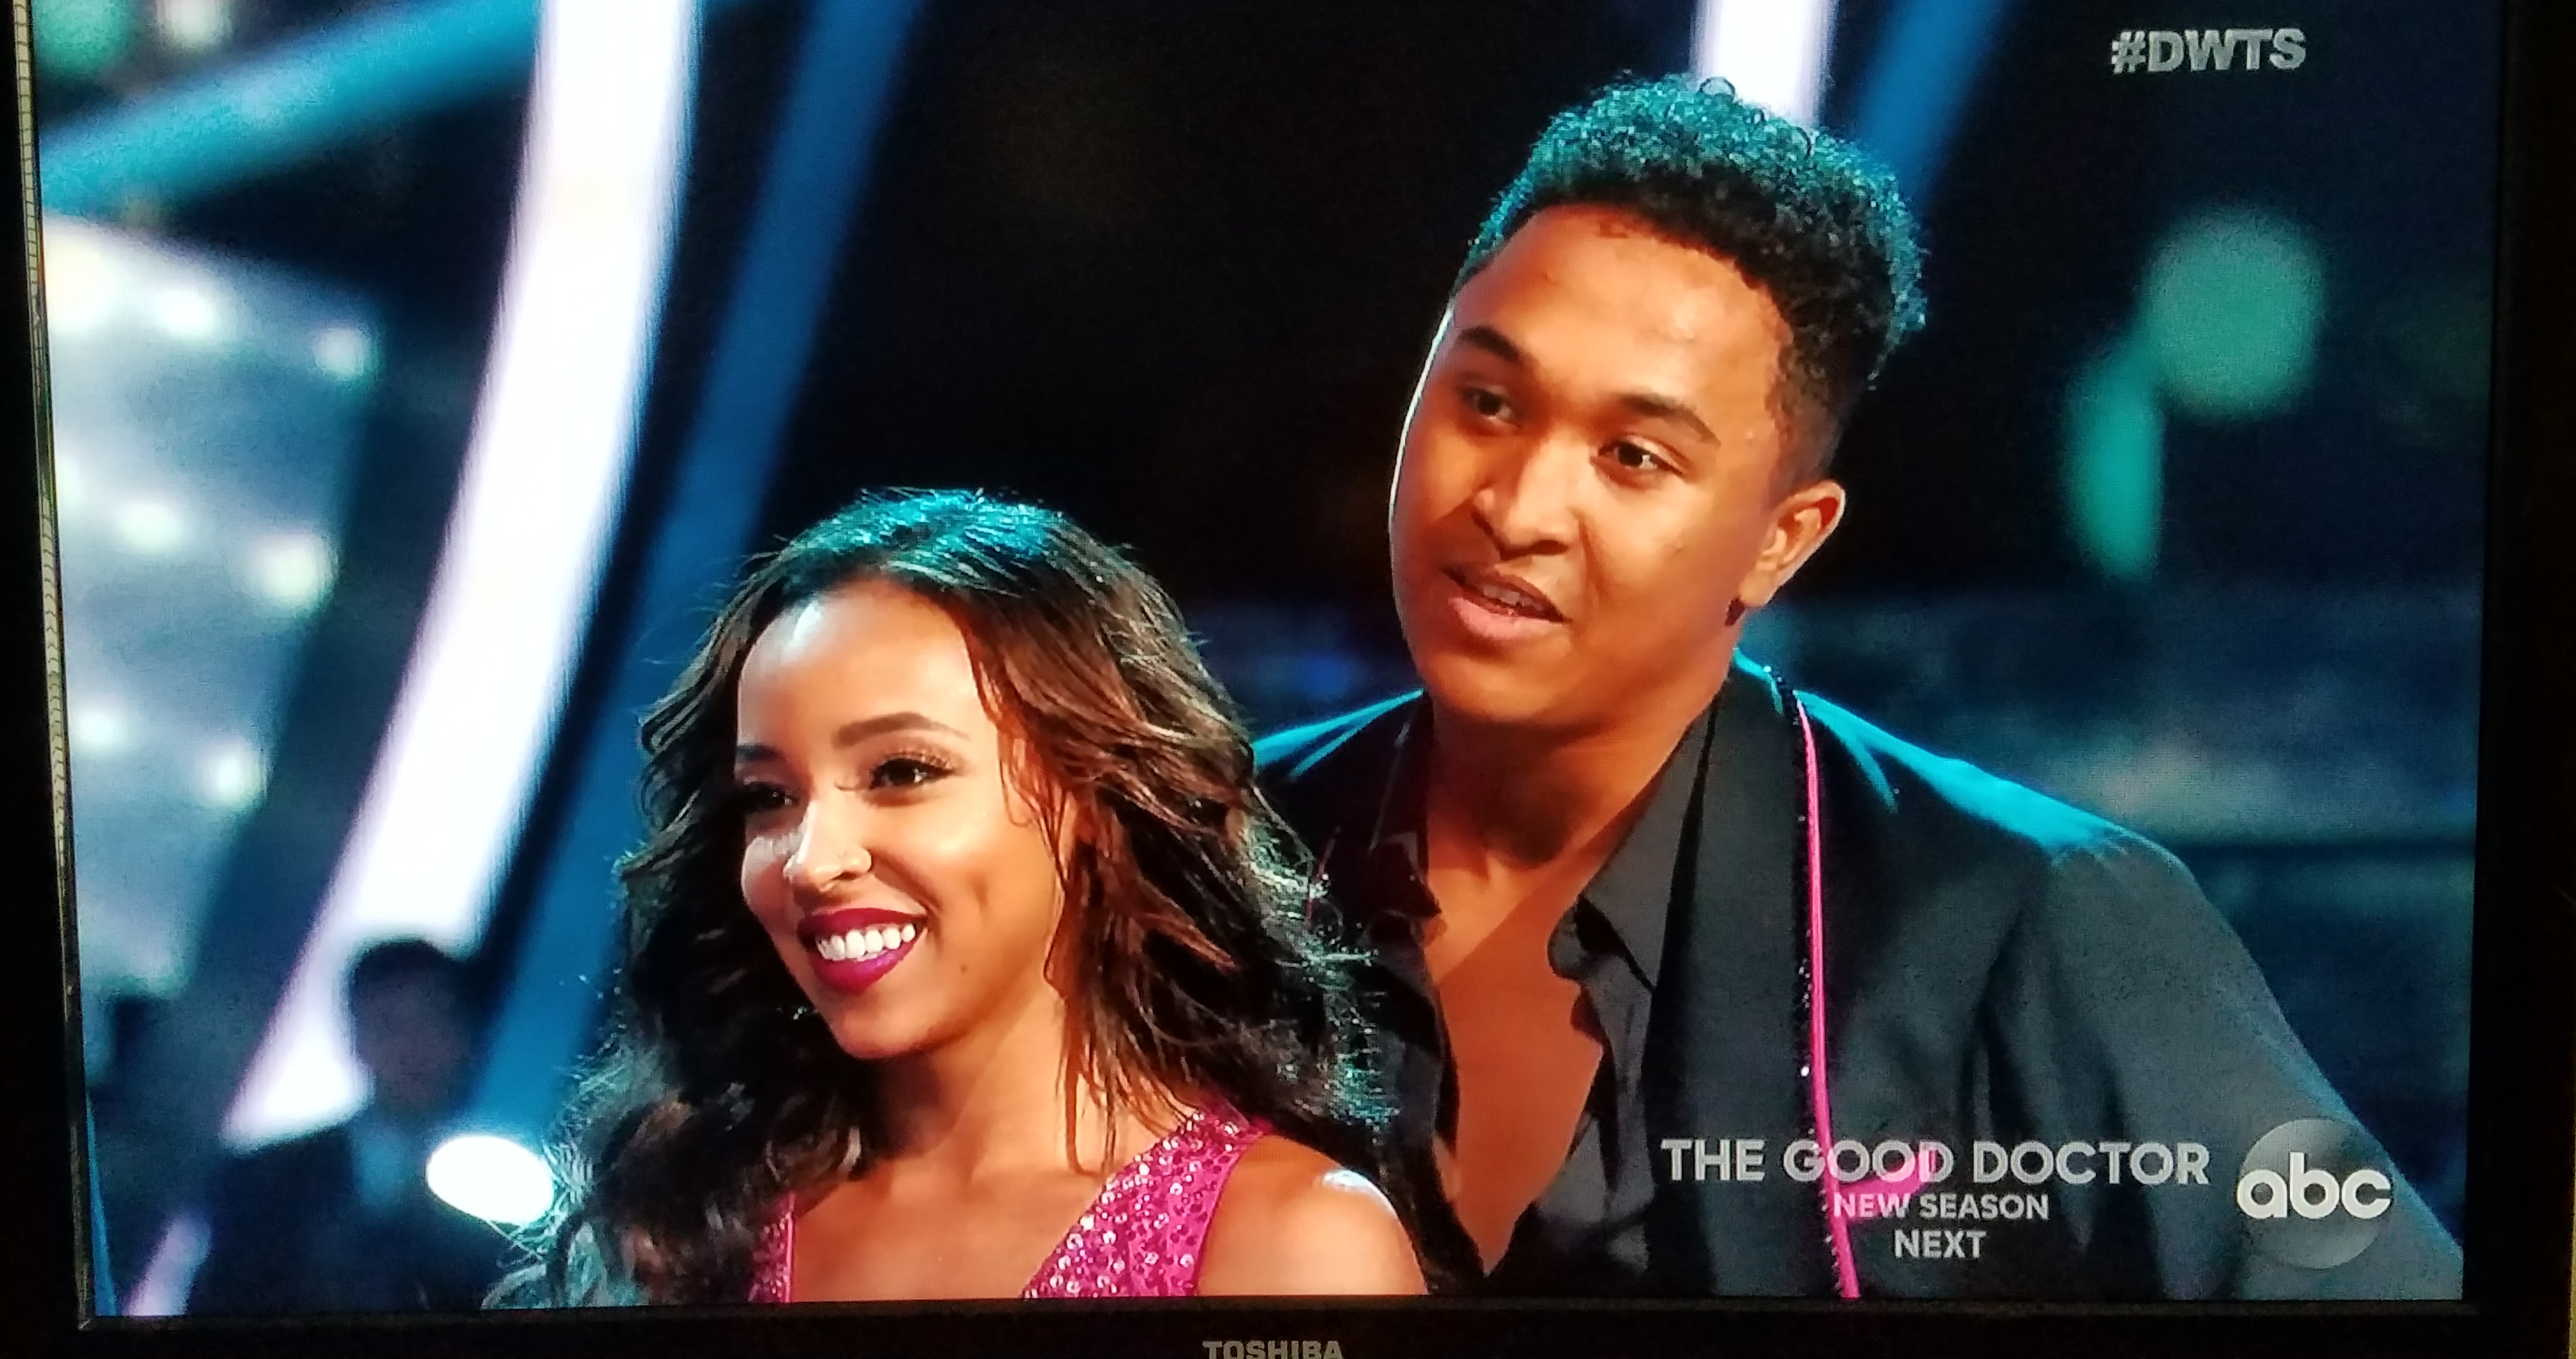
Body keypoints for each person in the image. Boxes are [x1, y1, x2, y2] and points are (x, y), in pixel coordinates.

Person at [1254, 75, 2462, 1300]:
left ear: (1782, 540)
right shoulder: (1211, 849)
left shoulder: (2024, 918)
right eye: (1486, 402)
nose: (1517, 506)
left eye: (1632, 456)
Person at [516, 489, 1425, 1305]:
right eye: (769, 796)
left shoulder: (1292, 1248)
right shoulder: (684, 1221)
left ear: (1097, 801)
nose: (810, 861)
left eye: (901, 773)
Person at [189, 939, 516, 1312]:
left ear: (467, 1033)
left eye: (432, 1019)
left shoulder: (502, 1191)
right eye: (389, 1026)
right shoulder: (264, 1179)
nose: (414, 1047)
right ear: (357, 1039)